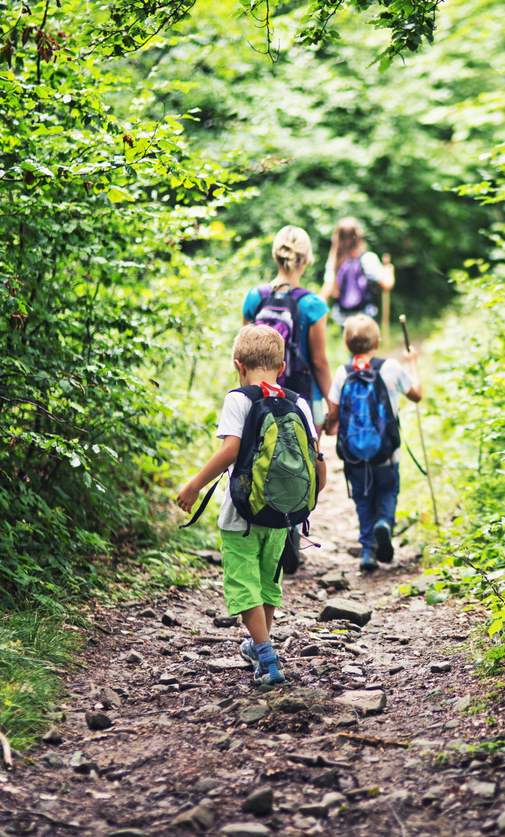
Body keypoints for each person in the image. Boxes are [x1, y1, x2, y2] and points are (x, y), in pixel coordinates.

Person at [177, 325, 327, 686]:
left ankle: (267, 654)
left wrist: (194, 486)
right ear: (282, 366)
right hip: (281, 514)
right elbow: (315, 456)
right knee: (267, 580)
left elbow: (230, 450)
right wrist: (311, 497)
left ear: (238, 365)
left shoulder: (238, 399)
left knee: (243, 583)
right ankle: (261, 646)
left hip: (240, 515)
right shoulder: (299, 402)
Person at [323, 315, 421, 572]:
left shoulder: (343, 372)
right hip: (387, 454)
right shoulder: (391, 367)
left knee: (363, 501)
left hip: (355, 457)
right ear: (377, 343)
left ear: (347, 345)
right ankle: (384, 524)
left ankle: (367, 551)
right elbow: (416, 395)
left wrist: (330, 428)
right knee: (388, 492)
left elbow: (333, 416)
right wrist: (412, 363)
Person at [242, 226, 333, 432]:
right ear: (306, 259)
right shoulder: (313, 304)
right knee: (305, 453)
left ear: (276, 256)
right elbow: (319, 363)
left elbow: (243, 354)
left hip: (260, 399)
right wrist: (333, 406)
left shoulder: (255, 296)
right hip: (304, 400)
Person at [319, 217, 396, 326]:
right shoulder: (368, 259)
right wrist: (389, 272)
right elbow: (387, 285)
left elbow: (324, 294)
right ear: (358, 237)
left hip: (343, 319)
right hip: (365, 317)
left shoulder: (335, 262)